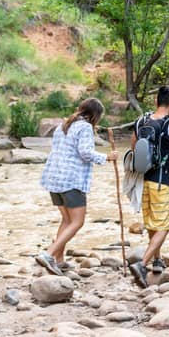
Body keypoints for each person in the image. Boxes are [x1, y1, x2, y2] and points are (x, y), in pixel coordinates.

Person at [36, 97, 114, 276]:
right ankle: (48, 254)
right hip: (71, 180)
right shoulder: (85, 127)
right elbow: (85, 152)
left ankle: (59, 259)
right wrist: (107, 157)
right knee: (78, 222)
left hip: (54, 179)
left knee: (67, 220)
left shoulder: (63, 125)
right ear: (95, 115)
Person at [128, 86, 169, 288]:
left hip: (142, 181)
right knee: (163, 225)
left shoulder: (140, 122)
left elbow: (133, 149)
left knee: (153, 223)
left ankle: (157, 259)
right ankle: (142, 264)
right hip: (163, 181)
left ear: (156, 101)